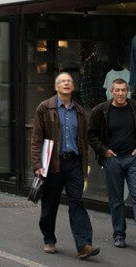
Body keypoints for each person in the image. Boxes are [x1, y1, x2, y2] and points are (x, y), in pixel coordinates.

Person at [30, 72, 99, 259]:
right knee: (50, 204)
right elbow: (36, 139)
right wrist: (37, 164)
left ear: (73, 87)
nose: (66, 83)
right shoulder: (44, 108)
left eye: (69, 81)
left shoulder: (80, 111)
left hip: (73, 164)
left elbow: (83, 141)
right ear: (56, 87)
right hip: (53, 164)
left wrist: (84, 166)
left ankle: (84, 244)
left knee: (77, 202)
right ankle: (49, 239)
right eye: (62, 81)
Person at [88, 79, 136, 251]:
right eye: (118, 90)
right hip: (112, 160)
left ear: (127, 91)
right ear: (111, 92)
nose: (121, 93)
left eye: (124, 90)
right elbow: (92, 135)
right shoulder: (101, 110)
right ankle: (119, 235)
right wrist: (104, 151)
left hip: (133, 159)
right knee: (116, 200)